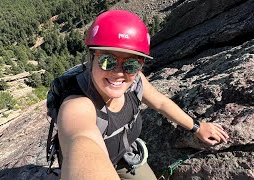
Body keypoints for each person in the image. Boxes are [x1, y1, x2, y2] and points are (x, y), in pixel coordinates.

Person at [57, 10, 229, 180]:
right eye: (107, 61)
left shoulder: (136, 81)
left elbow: (161, 103)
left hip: (124, 157)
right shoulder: (77, 104)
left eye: (131, 64)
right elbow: (81, 138)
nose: (118, 73)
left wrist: (197, 127)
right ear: (91, 57)